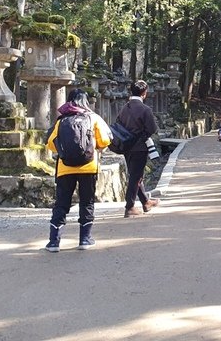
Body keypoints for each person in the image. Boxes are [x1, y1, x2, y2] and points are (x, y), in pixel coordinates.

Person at [44, 88, 111, 252]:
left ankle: (54, 242)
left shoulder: (61, 120)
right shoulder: (93, 118)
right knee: (86, 201)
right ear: (86, 101)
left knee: (61, 203)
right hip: (88, 166)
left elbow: (51, 143)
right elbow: (104, 140)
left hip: (65, 168)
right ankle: (85, 239)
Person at [115, 80, 160, 217]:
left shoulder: (124, 108)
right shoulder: (145, 109)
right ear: (144, 93)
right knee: (136, 176)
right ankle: (129, 206)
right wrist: (143, 135)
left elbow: (118, 124)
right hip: (140, 147)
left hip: (126, 146)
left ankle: (146, 202)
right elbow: (152, 128)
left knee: (135, 175)